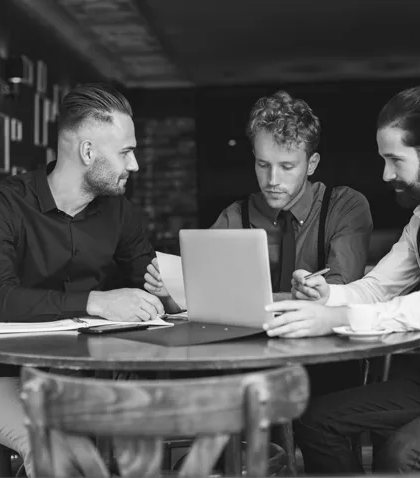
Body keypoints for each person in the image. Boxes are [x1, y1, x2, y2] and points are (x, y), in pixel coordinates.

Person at [265, 85, 420, 473]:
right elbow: (377, 287)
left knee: (401, 452)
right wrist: (327, 296)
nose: (385, 174)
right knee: (317, 419)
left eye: (395, 160)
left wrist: (338, 318)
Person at [0, 83, 176, 476]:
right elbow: (0, 299)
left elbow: (151, 288)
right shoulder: (0, 206)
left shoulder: (120, 213)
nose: (135, 165)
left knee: (159, 438)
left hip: (88, 379)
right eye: (125, 152)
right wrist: (96, 301)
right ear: (87, 152)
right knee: (59, 454)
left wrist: (166, 293)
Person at [144, 90, 373, 395]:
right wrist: (170, 293)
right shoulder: (235, 216)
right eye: (263, 165)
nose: (272, 180)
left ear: (312, 163)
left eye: (287, 167)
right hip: (247, 365)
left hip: (326, 365)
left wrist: (237, 304)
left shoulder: (345, 206)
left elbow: (341, 291)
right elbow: (202, 301)